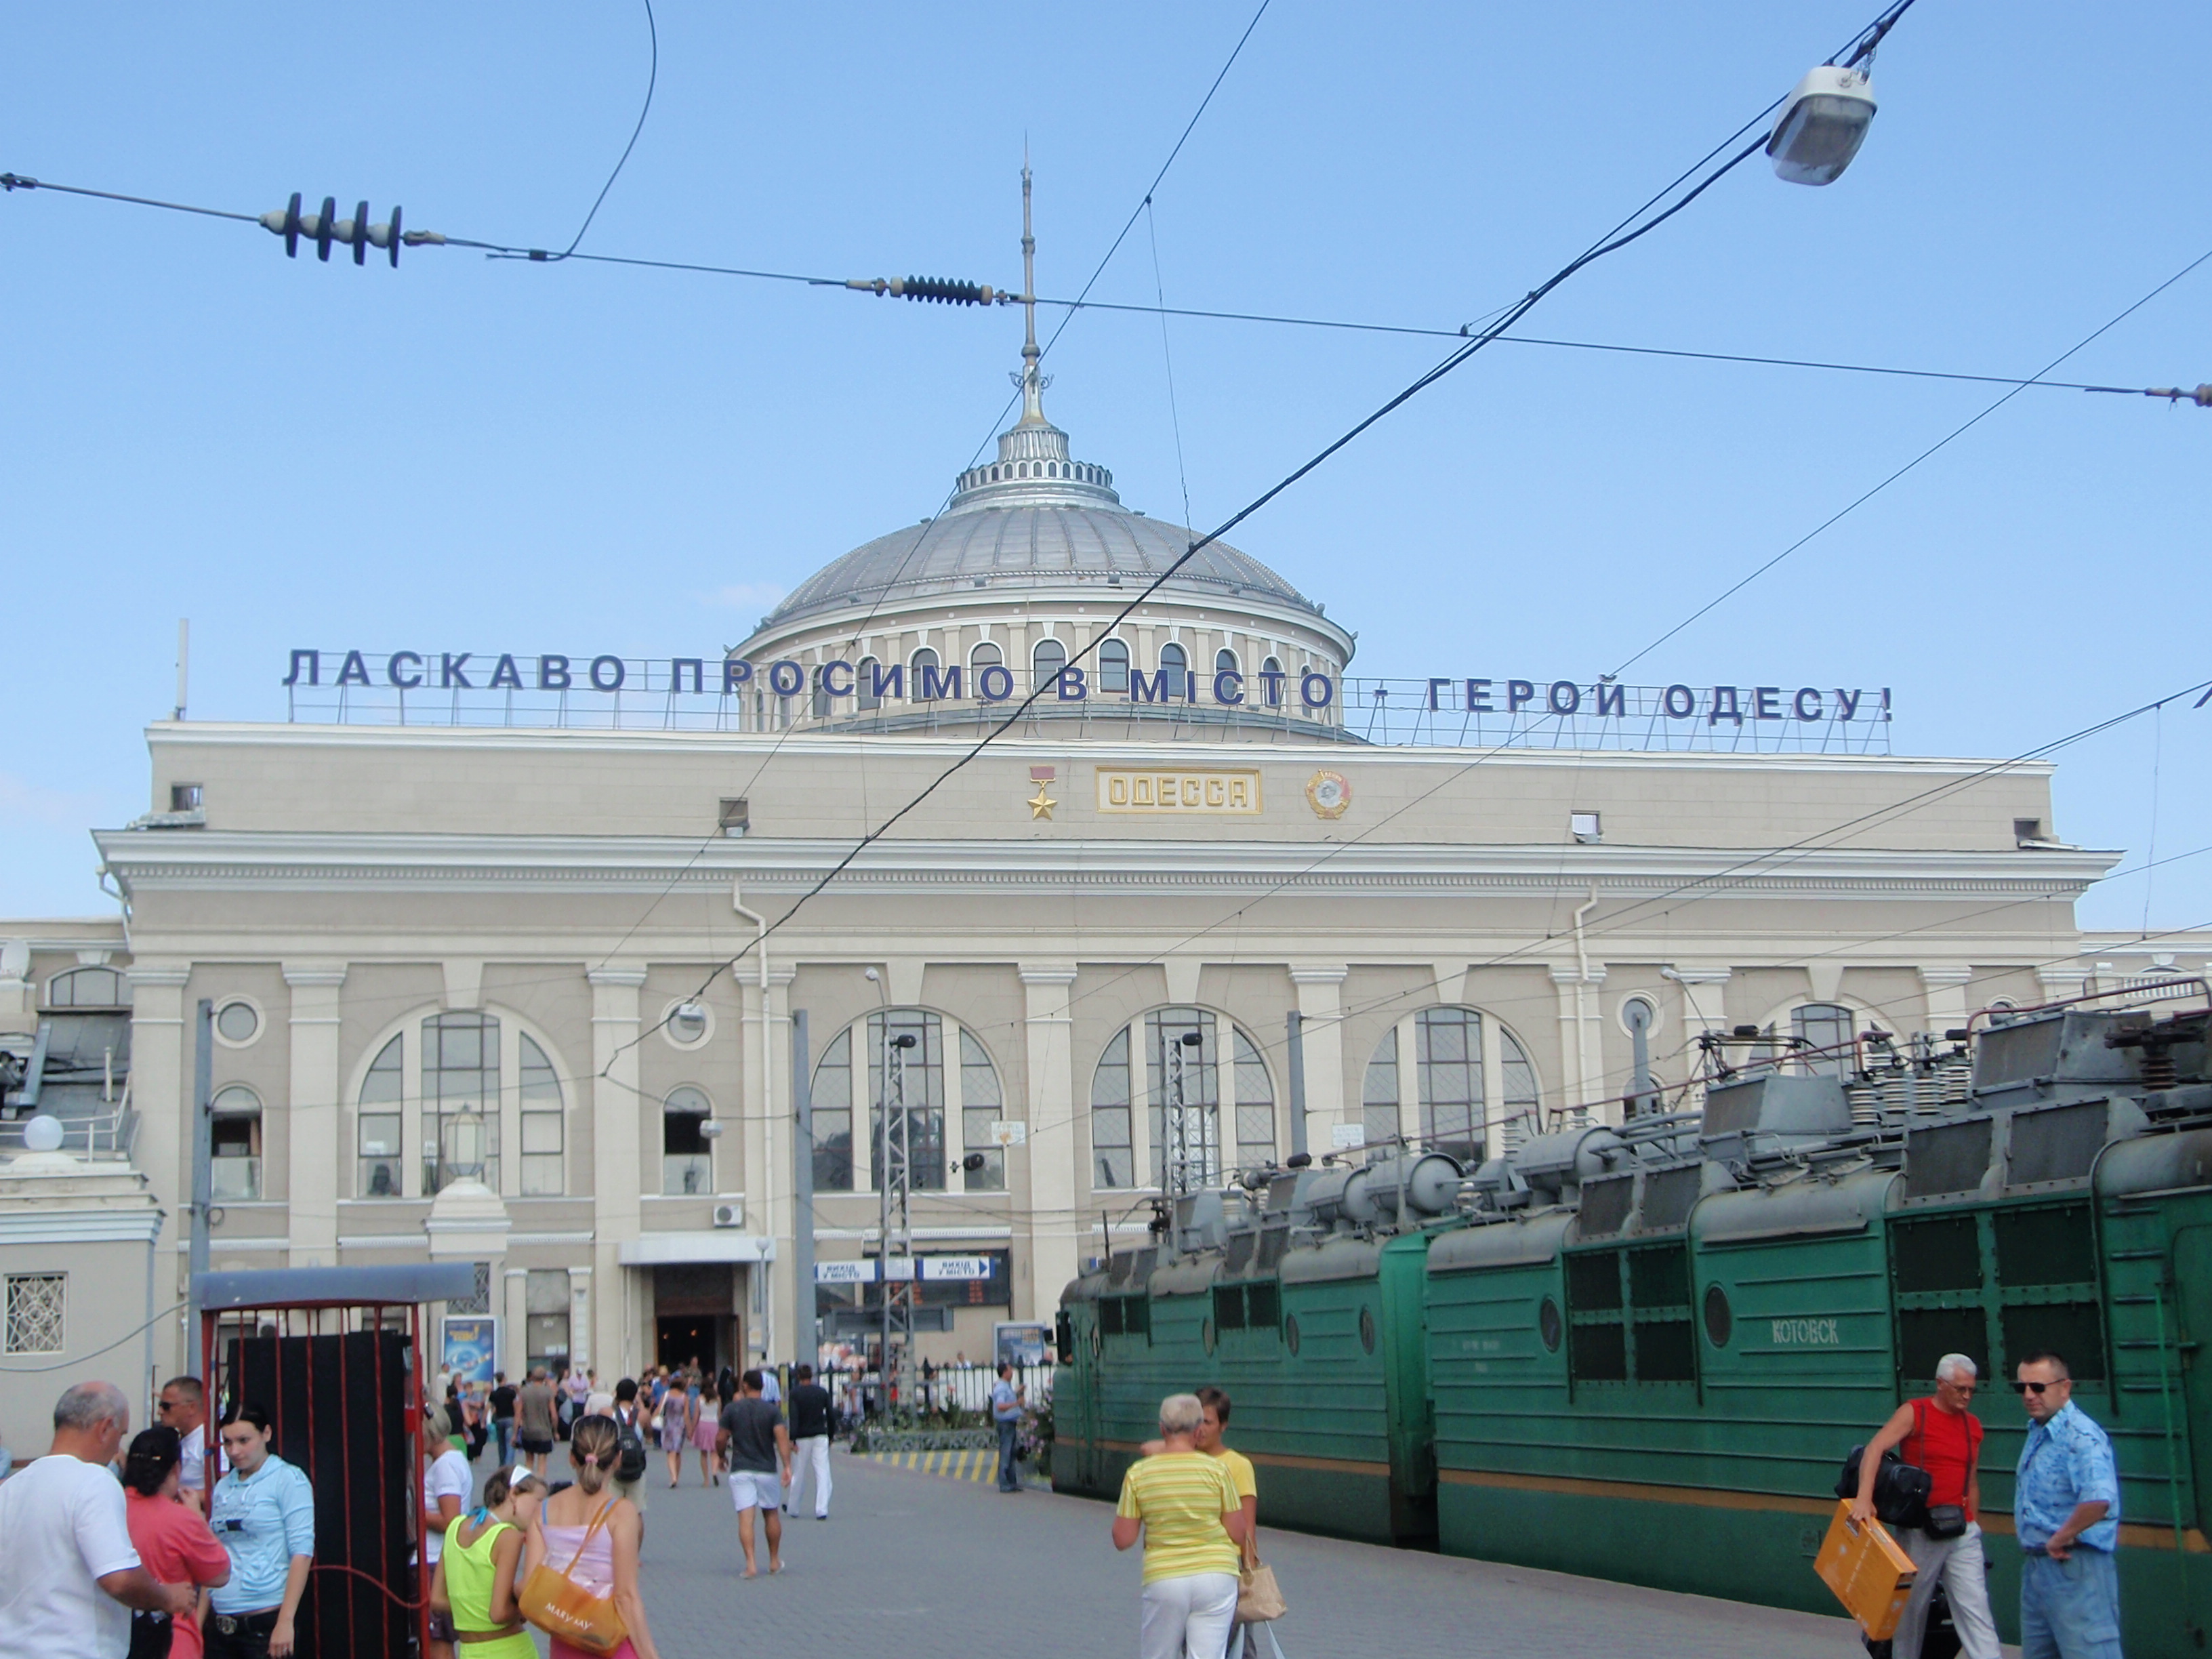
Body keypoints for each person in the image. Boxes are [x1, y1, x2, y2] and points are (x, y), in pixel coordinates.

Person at [0, 1380, 194, 1657]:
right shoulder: (94, 1481)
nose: (118, 1447)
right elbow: (119, 1578)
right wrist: (167, 1597)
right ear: (105, 1428)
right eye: (121, 1434)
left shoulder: (11, 1487)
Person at [1848, 1354, 1999, 1659]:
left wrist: (1975, 1526)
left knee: (1976, 1610)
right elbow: (1876, 1448)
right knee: (1911, 1611)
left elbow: (1971, 1481)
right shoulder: (1915, 1413)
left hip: (1962, 1530)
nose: (1967, 1396)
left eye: (1971, 1390)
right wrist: (1864, 1499)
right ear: (1941, 1385)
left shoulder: (1973, 1426)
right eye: (1960, 1389)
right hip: (1921, 1530)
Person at [1113, 1393, 1249, 1659]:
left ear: (1162, 1429)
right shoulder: (1218, 1471)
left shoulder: (1138, 1474)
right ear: (1198, 1431)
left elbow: (1123, 1539)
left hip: (1166, 1577)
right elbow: (1238, 1532)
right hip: (1216, 1576)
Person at [525, 1416, 663, 1659]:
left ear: (571, 1458)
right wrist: (650, 1654)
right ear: (618, 1459)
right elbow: (625, 1596)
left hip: (565, 1640)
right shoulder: (621, 1512)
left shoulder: (544, 1510)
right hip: (610, 1640)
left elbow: (529, 1585)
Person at [2013, 1350, 2122, 1659]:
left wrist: (2061, 1537)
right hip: (2037, 1570)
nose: (2029, 1395)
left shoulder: (2082, 1437)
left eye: (2038, 1387)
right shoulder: (2037, 1432)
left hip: (2075, 1567)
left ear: (2065, 1387)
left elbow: (2099, 1499)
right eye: (2022, 1388)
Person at [206, 1404, 314, 1659]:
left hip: (265, 1617)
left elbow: (302, 1551)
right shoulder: (223, 1486)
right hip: (221, 1618)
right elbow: (214, 1555)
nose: (235, 1451)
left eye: (244, 1441)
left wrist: (285, 1620)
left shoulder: (288, 1478)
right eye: (228, 1442)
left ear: (266, 1434)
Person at [123, 1425, 232, 1659]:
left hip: (117, 1638)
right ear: (175, 1468)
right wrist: (197, 1519)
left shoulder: (110, 1507)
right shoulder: (179, 1518)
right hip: (173, 1640)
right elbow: (219, 1574)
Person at [429, 1463, 542, 1659]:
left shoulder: (455, 1525)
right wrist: (525, 1611)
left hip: (469, 1650)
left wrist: (470, 1607)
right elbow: (498, 1613)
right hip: (509, 1648)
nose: (539, 1510)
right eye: (538, 1501)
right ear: (514, 1493)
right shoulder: (509, 1537)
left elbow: (436, 1599)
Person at [1194, 1387, 1262, 1659]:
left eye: (1207, 1422)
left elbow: (1247, 1528)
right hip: (1192, 1568)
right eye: (1195, 1421)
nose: (1199, 1429)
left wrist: (1249, 1572)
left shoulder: (1238, 1465)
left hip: (1228, 1569)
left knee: (1236, 1646)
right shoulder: (1183, 1461)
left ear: (1223, 1426)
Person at [716, 1369, 794, 1578]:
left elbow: (721, 1438)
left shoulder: (732, 1409)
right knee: (771, 1514)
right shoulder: (772, 1411)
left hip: (741, 1468)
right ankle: (774, 1561)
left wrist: (721, 1456)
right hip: (767, 1468)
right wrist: (787, 1466)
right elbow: (781, 1438)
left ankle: (751, 1565)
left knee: (746, 1518)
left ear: (745, 1386)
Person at [422, 1402, 474, 1659]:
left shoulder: (444, 1466)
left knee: (437, 1641)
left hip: (433, 1559)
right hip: (438, 1558)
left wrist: (414, 1515)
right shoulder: (454, 1458)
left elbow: (450, 1519)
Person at [157, 1376, 218, 1513]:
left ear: (191, 1408)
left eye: (166, 1406)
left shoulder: (209, 1440)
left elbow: (221, 1491)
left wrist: (177, 1495)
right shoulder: (179, 1439)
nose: (160, 1412)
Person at [786, 1364, 836, 1521]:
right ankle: (822, 1509)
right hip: (820, 1434)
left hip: (802, 1437)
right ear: (812, 1376)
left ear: (799, 1377)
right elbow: (831, 1415)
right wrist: (831, 1434)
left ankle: (793, 1507)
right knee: (822, 1471)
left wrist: (792, 1438)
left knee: (799, 1472)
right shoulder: (821, 1392)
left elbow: (794, 1417)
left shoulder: (795, 1394)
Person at [609, 1378, 650, 1523]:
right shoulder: (643, 1415)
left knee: (611, 1512)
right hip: (636, 1470)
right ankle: (635, 1544)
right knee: (636, 1513)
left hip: (614, 1469)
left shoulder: (608, 1413)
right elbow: (650, 1436)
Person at [516, 1368, 559, 1479]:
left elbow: (518, 1414)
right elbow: (554, 1414)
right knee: (542, 1461)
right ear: (545, 1378)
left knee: (529, 1460)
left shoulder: (524, 1391)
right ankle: (540, 1485)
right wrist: (555, 1431)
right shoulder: (548, 1392)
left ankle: (528, 1484)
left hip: (528, 1431)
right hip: (544, 1432)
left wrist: (515, 1434)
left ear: (532, 1377)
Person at [991, 1362, 1026, 1493]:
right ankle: (1004, 1483)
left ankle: (1012, 1482)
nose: (1012, 1372)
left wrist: (1017, 1391)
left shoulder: (1006, 1387)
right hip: (1005, 1425)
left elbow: (1006, 1398)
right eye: (1010, 1370)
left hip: (1010, 1423)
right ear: (1005, 1372)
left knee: (1012, 1453)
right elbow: (1000, 1406)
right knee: (1006, 1453)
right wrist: (1017, 1403)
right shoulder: (1001, 1388)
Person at [659, 1371, 693, 1488]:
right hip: (680, 1426)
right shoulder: (685, 1397)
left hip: (668, 1424)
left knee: (670, 1452)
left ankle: (673, 1477)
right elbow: (687, 1415)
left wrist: (652, 1418)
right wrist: (690, 1430)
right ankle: (676, 1477)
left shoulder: (666, 1395)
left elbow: (659, 1409)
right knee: (677, 1452)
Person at [690, 1367, 721, 1488]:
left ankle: (706, 1480)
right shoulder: (717, 1399)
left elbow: (696, 1415)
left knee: (703, 1453)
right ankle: (714, 1471)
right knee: (715, 1451)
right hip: (714, 1425)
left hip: (702, 1425)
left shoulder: (700, 1399)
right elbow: (719, 1415)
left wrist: (692, 1430)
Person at [488, 1372, 517, 1467]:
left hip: (499, 1419)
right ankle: (509, 1465)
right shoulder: (511, 1393)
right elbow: (515, 1406)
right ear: (504, 1379)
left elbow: (489, 1407)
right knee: (510, 1443)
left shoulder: (494, 1394)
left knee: (501, 1444)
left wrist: (484, 1420)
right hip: (510, 1419)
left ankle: (502, 1464)